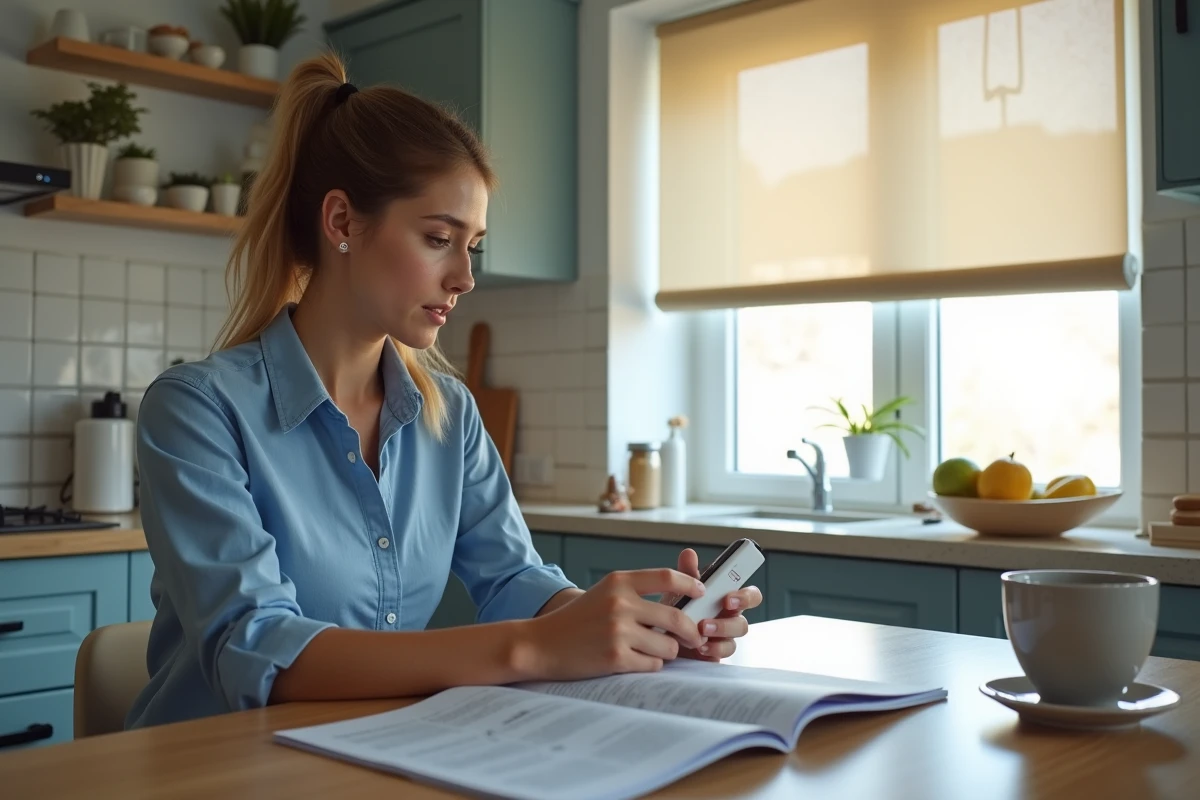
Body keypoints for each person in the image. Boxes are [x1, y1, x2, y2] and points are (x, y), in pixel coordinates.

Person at [125, 52, 761, 730]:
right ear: (341, 222)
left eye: (473, 247)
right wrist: (532, 648)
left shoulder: (449, 415)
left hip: (370, 755)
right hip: (208, 769)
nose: (464, 276)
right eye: (438, 238)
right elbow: (258, 650)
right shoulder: (197, 411)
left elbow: (515, 581)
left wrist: (633, 623)